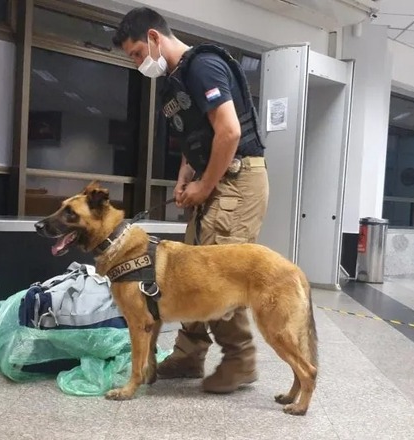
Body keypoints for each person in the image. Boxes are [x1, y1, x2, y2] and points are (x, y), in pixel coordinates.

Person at [112, 7, 269, 394]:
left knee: (217, 274)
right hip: (213, 177)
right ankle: (188, 354)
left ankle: (240, 359)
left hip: (235, 180)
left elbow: (229, 132)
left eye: (135, 53)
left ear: (153, 37)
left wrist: (204, 185)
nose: (136, 63)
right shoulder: (177, 79)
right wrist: (187, 175)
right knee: (188, 274)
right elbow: (199, 134)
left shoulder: (203, 67)